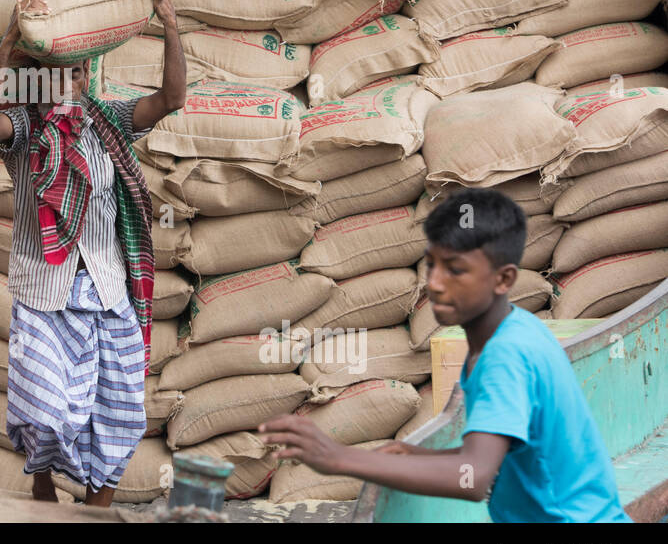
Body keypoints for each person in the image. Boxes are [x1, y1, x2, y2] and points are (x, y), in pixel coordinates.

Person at [259, 187, 632, 522]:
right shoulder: (507, 333)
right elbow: (494, 458)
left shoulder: (506, 355)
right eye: (433, 264)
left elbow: (474, 477)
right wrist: (418, 457)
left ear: (503, 279)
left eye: (455, 271)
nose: (435, 283)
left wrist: (340, 459)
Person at [0, 0, 187, 506]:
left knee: (118, 414)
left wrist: (169, 23)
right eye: (61, 72)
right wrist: (8, 53)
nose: (73, 80)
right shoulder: (24, 129)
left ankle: (96, 510)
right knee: (43, 413)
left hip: (107, 290)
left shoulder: (107, 120)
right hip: (45, 291)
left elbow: (170, 99)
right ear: (42, 77)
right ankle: (44, 492)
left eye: (80, 70)